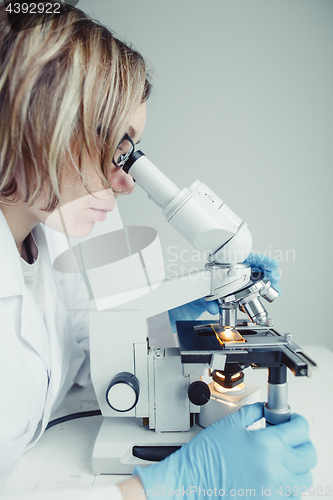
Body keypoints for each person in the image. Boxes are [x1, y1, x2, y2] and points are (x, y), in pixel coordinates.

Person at [0, 2, 316, 499]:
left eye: (131, 155)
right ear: (42, 123)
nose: (126, 182)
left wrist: (176, 316)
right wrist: (166, 488)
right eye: (114, 146)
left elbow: (99, 344)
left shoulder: (70, 214)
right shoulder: (72, 202)